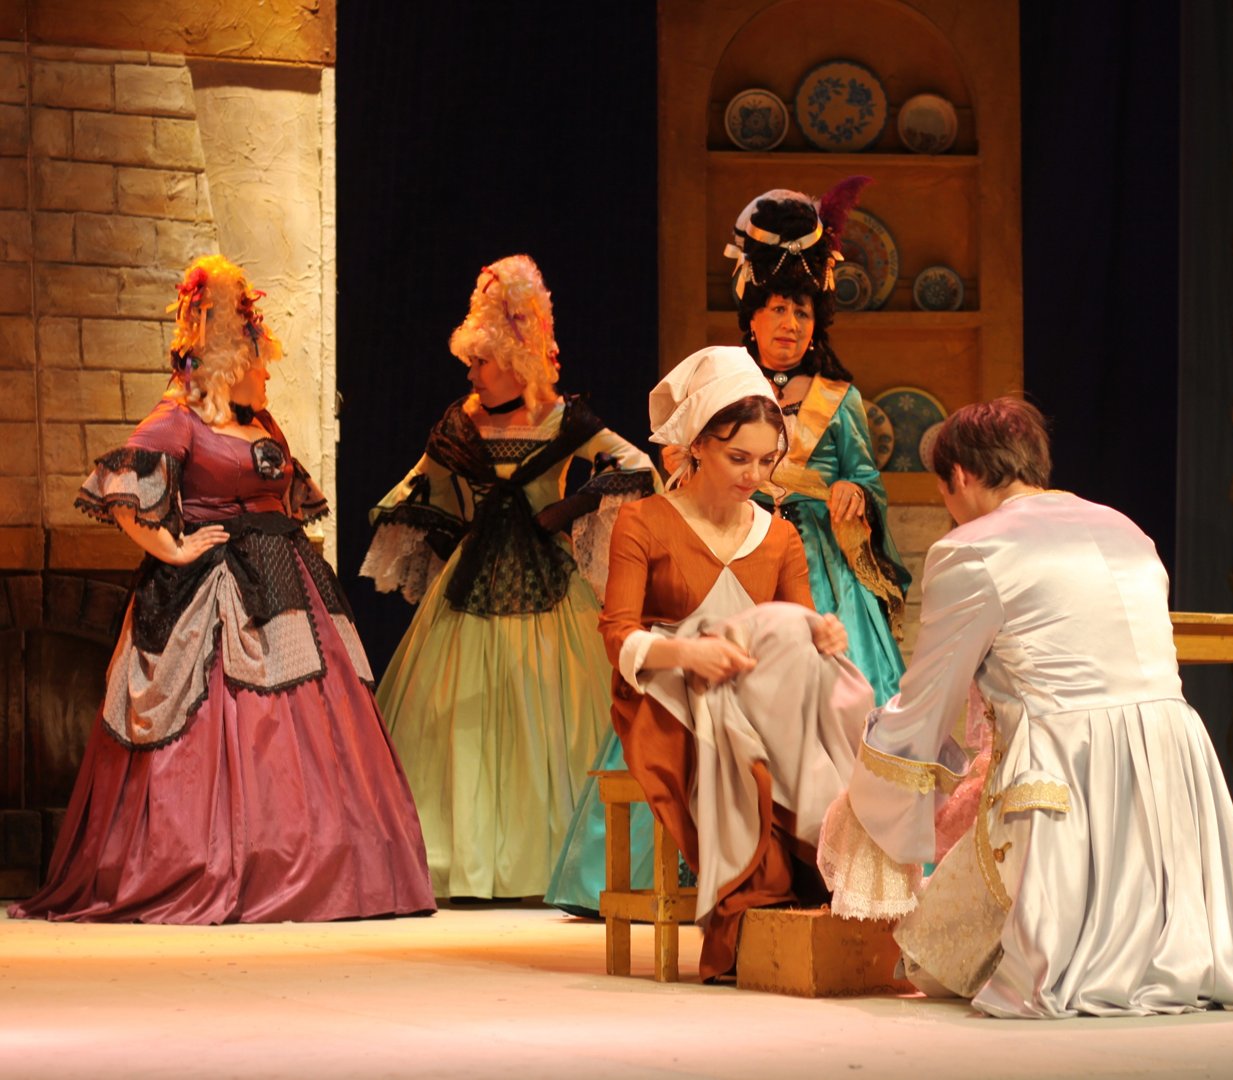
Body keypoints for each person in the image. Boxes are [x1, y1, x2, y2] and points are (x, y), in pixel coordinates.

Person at [818, 397, 1233, 1018]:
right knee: (943, 946)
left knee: (931, 959)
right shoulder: (1126, 528)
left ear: (960, 477)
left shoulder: (971, 549)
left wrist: (869, 785)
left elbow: (928, 700)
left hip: (1063, 768)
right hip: (1174, 758)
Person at [8, 255, 434, 924]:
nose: (268, 369)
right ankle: (223, 862)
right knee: (226, 719)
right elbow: (121, 490)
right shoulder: (180, 417)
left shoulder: (262, 423)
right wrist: (172, 546)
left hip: (286, 588)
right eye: (259, 355)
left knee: (315, 726)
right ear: (232, 356)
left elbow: (285, 499)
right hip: (213, 589)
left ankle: (331, 866)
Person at [557, 344, 869, 979]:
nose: (754, 475)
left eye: (766, 461)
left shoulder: (779, 533)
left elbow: (799, 625)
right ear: (697, 445)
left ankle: (830, 865)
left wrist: (825, 633)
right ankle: (766, 886)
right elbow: (618, 634)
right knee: (744, 757)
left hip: (758, 688)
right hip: (668, 690)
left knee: (823, 710)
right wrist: (688, 652)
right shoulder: (644, 521)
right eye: (738, 458)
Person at [360, 255, 655, 901]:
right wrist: (431, 524)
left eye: (481, 361)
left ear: (516, 359)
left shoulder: (564, 420)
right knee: (457, 719)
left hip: (549, 587)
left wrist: (569, 510)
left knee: (551, 715)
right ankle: (458, 858)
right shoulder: (460, 423)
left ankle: (551, 860)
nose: (471, 372)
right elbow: (419, 487)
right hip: (470, 585)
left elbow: (635, 466)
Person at [723, 183, 910, 701]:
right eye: (779, 310)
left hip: (824, 564)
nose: (790, 324)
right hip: (738, 549)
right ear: (753, 318)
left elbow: (867, 479)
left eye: (802, 313)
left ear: (816, 324)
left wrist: (856, 491)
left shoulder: (839, 397)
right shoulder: (726, 389)